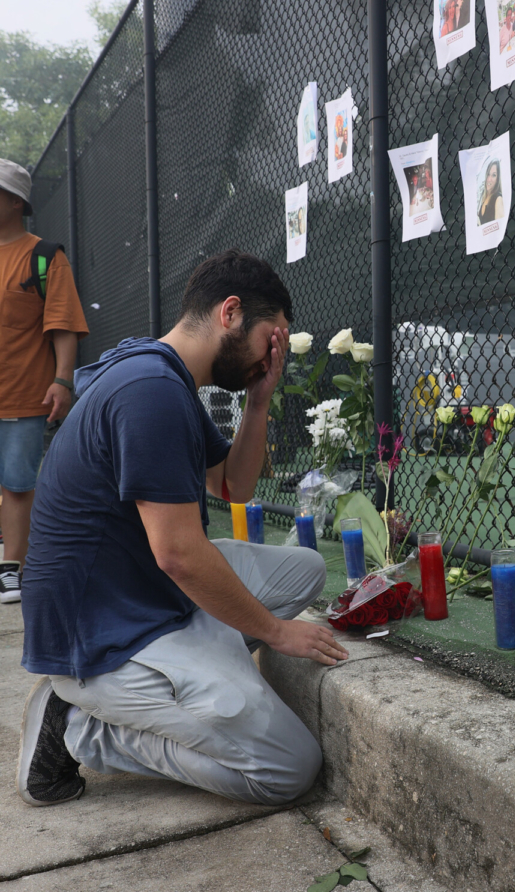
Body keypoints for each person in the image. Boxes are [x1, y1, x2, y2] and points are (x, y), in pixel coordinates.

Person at [16, 249, 348, 808]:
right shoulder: (149, 391)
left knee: (306, 570)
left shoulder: (163, 374)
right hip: (102, 635)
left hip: (140, 592)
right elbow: (178, 554)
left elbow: (232, 486)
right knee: (289, 768)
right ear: (231, 312)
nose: (273, 355)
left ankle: (199, 660)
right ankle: (81, 726)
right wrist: (273, 631)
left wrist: (260, 401)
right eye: (272, 338)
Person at [0, 158, 89, 605]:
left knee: (17, 482)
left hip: (21, 394)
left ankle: (10, 569)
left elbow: (63, 324)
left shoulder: (45, 256)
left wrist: (62, 381)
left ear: (15, 201)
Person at [477, 159, 504, 224]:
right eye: (488, 174)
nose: (489, 179)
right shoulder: (483, 196)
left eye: (493, 175)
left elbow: (499, 228)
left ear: (498, 179)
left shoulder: (498, 199)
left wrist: (479, 225)